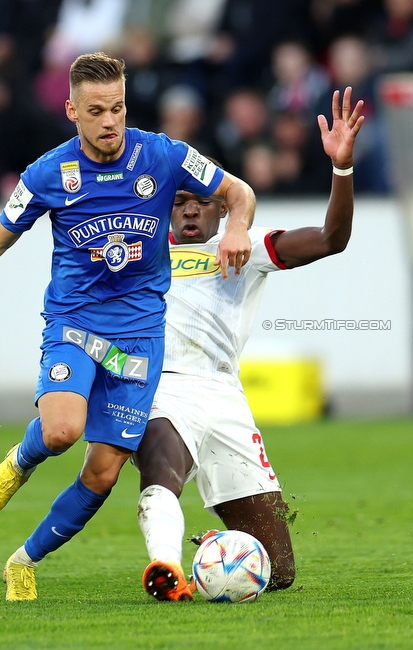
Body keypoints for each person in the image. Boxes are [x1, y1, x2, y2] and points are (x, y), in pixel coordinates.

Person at [0, 52, 256, 601]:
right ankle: (21, 459)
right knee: (62, 430)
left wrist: (238, 229)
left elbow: (239, 192)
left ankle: (23, 560)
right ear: (72, 111)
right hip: (76, 323)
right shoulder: (47, 174)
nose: (110, 121)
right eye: (97, 110)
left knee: (103, 475)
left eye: (118, 108)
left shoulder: (163, 155)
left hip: (138, 336)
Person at [132, 87, 364, 601]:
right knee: (161, 465)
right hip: (161, 389)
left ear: (223, 209)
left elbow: (331, 238)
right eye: (181, 203)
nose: (190, 213)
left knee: (278, 572)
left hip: (223, 396)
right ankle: (163, 567)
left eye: (203, 203)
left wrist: (341, 169)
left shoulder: (242, 248)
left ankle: (214, 549)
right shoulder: (141, 252)